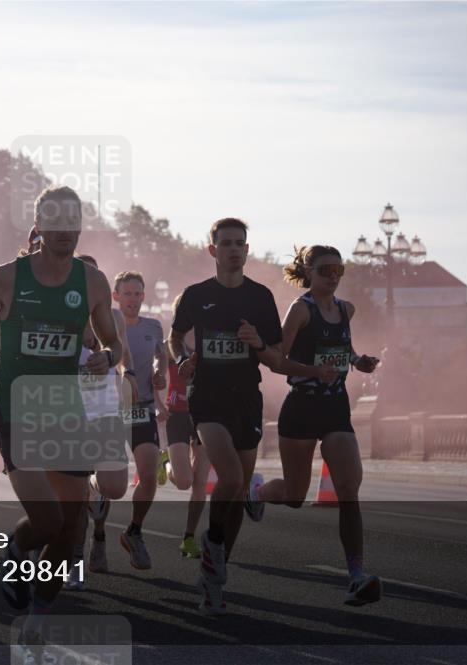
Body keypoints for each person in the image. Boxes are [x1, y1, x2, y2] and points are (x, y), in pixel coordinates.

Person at [0, 186, 124, 661]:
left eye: (74, 222)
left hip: (65, 411)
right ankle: (14, 558)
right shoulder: (8, 277)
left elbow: (113, 341)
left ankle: (37, 620)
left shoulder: (92, 282)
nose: (66, 231)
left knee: (71, 531)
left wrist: (106, 357)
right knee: (48, 520)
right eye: (56, 222)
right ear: (39, 225)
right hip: (17, 410)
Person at [168, 217, 334, 615]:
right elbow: (175, 335)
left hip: (246, 397)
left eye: (240, 243)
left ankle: (215, 562)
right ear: (213, 250)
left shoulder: (259, 298)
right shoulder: (195, 295)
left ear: (247, 248)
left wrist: (257, 342)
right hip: (207, 396)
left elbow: (277, 358)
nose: (234, 249)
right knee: (230, 477)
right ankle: (213, 544)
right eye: (226, 243)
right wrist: (180, 359)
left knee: (239, 491)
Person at [247, 245, 382, 606]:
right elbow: (277, 360)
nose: (333, 275)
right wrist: (313, 372)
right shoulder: (300, 310)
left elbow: (343, 348)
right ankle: (256, 492)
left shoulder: (345, 309)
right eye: (325, 269)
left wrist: (359, 361)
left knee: (349, 488)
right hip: (302, 407)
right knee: (294, 496)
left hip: (336, 408)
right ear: (309, 273)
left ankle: (356, 575)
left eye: (339, 269)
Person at [66, 254, 133, 590]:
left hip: (105, 409)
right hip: (71, 412)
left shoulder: (111, 316)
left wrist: (128, 372)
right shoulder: (60, 315)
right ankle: (75, 559)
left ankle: (94, 487)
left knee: (115, 487)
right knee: (72, 496)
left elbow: (122, 353)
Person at [113, 271, 168, 570]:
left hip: (140, 408)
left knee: (148, 476)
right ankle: (96, 532)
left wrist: (160, 375)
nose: (133, 299)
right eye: (127, 293)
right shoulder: (105, 325)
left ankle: (134, 530)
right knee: (112, 484)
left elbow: (161, 356)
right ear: (115, 296)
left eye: (138, 293)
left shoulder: (153, 326)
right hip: (108, 409)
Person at [161, 301, 212, 558]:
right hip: (177, 414)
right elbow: (155, 377)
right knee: (184, 481)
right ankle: (167, 463)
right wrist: (158, 406)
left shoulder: (208, 342)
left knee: (200, 482)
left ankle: (189, 538)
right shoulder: (170, 344)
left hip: (204, 415)